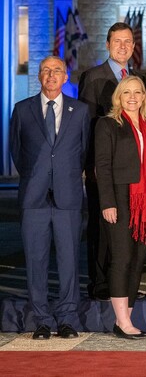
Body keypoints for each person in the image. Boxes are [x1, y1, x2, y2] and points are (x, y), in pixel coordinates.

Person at [10, 56, 89, 340]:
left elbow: (83, 153)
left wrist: (62, 177)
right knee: (36, 261)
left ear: (65, 77)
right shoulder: (22, 110)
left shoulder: (79, 111)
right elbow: (18, 152)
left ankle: (67, 319)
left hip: (67, 199)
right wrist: (38, 178)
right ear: (39, 77)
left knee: (69, 262)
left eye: (57, 71)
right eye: (46, 71)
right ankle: (41, 320)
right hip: (34, 199)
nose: (51, 75)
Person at [94, 76, 146, 340]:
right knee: (121, 259)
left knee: (137, 260)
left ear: (144, 96)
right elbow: (103, 166)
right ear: (118, 97)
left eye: (138, 92)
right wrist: (108, 202)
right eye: (126, 92)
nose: (132, 97)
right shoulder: (108, 124)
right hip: (121, 198)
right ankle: (121, 321)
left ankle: (127, 318)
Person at [78, 22, 134, 301]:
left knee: (123, 227)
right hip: (102, 168)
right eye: (117, 42)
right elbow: (86, 127)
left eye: (128, 42)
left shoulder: (137, 79)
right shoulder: (93, 77)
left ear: (134, 47)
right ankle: (99, 284)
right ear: (108, 45)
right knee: (101, 227)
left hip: (128, 171)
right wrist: (91, 168)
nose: (123, 46)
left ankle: (119, 282)